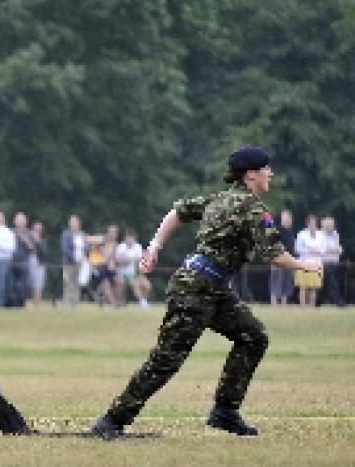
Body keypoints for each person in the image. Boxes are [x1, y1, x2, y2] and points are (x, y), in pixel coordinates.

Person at [92, 146, 324, 439]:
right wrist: (306, 264)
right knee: (166, 360)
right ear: (251, 175)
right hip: (196, 289)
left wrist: (155, 246)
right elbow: (275, 256)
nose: (271, 174)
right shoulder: (253, 209)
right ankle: (112, 421)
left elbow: (177, 212)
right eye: (267, 169)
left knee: (254, 337)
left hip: (212, 288)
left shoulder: (219, 200)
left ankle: (225, 411)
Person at [114, 229, 151, 308]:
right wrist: (125, 261)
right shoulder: (121, 247)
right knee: (131, 284)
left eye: (131, 238)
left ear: (134, 239)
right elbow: (117, 262)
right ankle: (119, 302)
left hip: (134, 273)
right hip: (121, 273)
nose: (129, 240)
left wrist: (141, 275)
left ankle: (143, 301)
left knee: (147, 286)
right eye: (128, 238)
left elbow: (140, 262)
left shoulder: (138, 247)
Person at [294, 215, 325, 308]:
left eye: (314, 223)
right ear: (307, 224)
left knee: (313, 287)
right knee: (303, 287)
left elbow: (324, 248)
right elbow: (297, 248)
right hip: (304, 263)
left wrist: (318, 250)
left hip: (317, 264)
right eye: (311, 223)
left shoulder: (321, 234)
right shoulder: (301, 234)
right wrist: (309, 250)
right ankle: (303, 306)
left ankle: (312, 306)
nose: (313, 225)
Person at [270, 210, 295, 306]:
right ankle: (274, 304)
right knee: (276, 281)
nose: (287, 221)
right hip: (278, 260)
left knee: (287, 282)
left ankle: (284, 304)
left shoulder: (290, 233)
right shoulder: (277, 230)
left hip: (288, 261)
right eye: (285, 219)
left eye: (288, 219)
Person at [60, 215, 86, 307]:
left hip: (80, 263)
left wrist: (82, 259)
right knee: (68, 282)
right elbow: (65, 249)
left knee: (76, 283)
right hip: (69, 263)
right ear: (69, 223)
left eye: (76, 222)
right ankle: (67, 303)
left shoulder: (82, 234)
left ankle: (75, 303)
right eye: (72, 222)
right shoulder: (66, 234)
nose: (74, 224)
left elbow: (85, 247)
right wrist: (73, 259)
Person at [319, 217, 345, 308]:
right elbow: (324, 249)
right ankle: (339, 302)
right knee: (332, 283)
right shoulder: (320, 235)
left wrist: (337, 249)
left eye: (332, 225)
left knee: (327, 283)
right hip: (324, 263)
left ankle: (318, 302)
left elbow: (339, 248)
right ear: (324, 225)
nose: (331, 227)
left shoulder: (335, 234)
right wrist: (335, 249)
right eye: (329, 225)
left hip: (334, 263)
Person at [28, 221, 48, 303]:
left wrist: (38, 241)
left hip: (39, 263)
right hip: (30, 261)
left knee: (38, 284)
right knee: (32, 283)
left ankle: (38, 302)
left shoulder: (43, 241)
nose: (37, 231)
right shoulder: (29, 240)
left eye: (39, 229)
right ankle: (34, 301)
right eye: (35, 229)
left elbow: (44, 252)